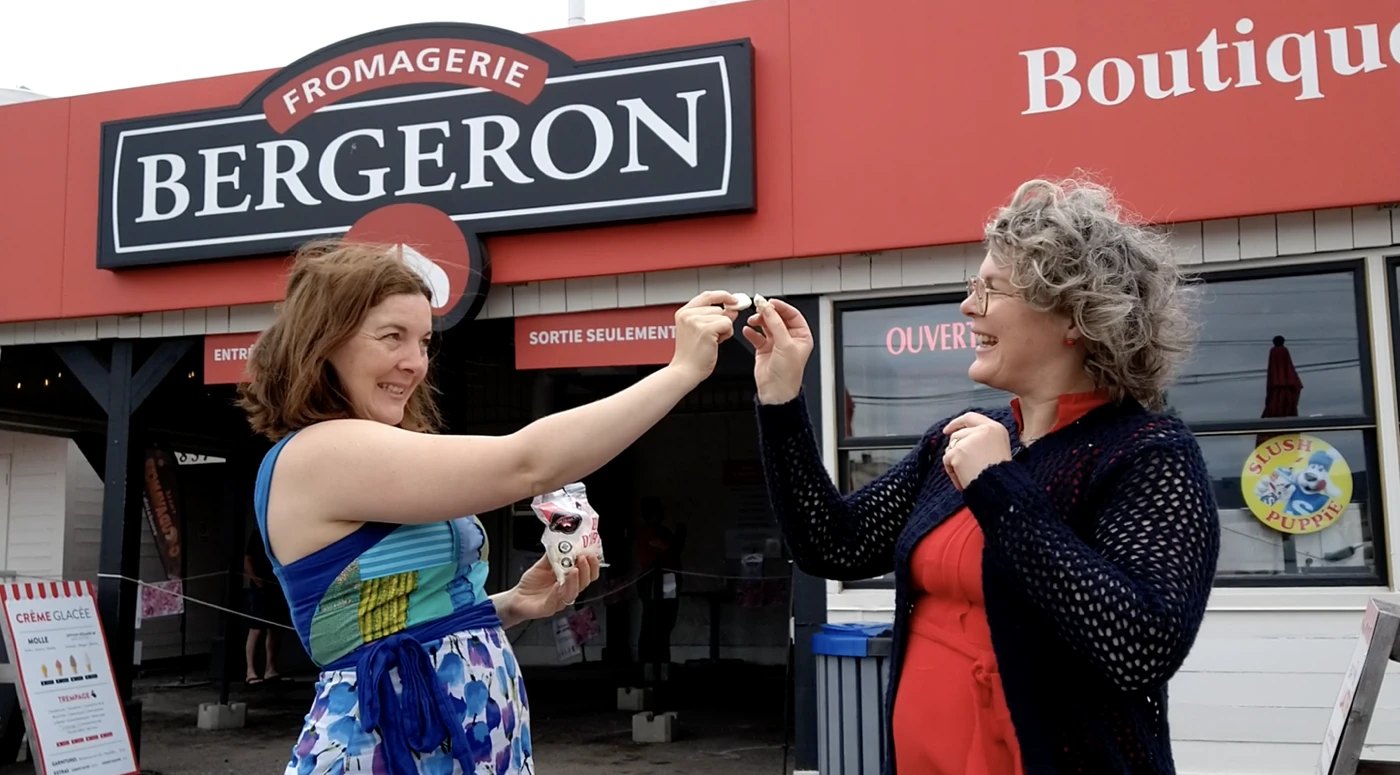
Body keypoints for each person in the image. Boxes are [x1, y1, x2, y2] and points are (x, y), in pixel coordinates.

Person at [744, 178, 1221, 775]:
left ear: (1072, 315)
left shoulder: (1147, 453)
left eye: (990, 289)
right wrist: (781, 397)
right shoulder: (960, 438)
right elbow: (831, 543)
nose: (969, 306)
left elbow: (1138, 647)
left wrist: (998, 485)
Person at [236, 239, 740, 775]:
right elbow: (527, 464)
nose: (415, 363)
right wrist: (681, 370)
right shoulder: (320, 451)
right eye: (392, 337)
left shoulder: (355, 451)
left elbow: (402, 618)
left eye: (425, 341)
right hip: (391, 749)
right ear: (323, 344)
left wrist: (510, 604)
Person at [635, 497, 685, 674]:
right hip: (655, 582)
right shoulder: (650, 531)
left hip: (667, 581)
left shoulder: (661, 530)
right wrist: (679, 534)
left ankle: (661, 662)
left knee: (665, 622)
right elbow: (668, 547)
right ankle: (648, 663)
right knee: (653, 621)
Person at [243, 529, 288, 684]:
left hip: (277, 585)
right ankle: (250, 671)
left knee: (275, 628)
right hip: (261, 587)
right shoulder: (258, 533)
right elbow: (247, 560)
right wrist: (258, 583)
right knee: (256, 628)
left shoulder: (282, 532)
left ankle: (271, 668)